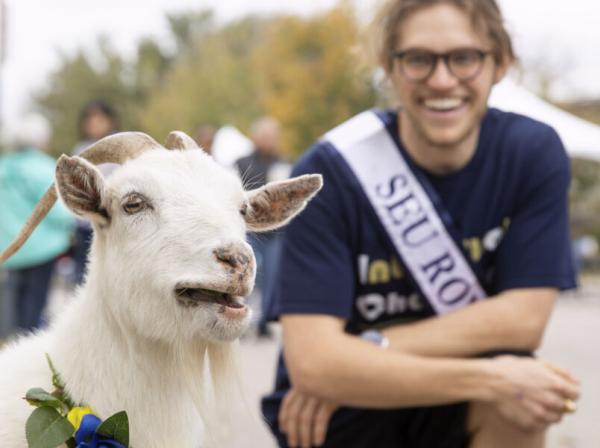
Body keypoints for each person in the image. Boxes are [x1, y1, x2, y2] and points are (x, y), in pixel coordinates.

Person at [261, 1, 579, 447]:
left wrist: (361, 350)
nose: (442, 79)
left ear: (501, 62)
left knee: (523, 401)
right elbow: (313, 364)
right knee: (514, 382)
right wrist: (494, 379)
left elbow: (523, 320)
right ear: (389, 68)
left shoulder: (533, 152)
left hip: (406, 387)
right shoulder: (329, 169)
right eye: (418, 59)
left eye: (465, 57)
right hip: (344, 405)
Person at [0, 114, 74, 332]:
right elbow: (58, 211)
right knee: (35, 302)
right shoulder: (43, 167)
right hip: (42, 247)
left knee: (11, 302)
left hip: (10, 248)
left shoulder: (3, 167)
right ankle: (27, 341)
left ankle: (8, 342)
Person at [235, 117, 291, 337]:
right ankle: (240, 318)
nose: (271, 140)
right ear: (256, 137)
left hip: (276, 231)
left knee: (272, 277)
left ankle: (265, 320)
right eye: (266, 136)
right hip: (248, 229)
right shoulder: (241, 162)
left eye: (273, 136)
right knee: (246, 275)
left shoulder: (284, 162)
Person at [70, 100, 120, 285]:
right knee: (82, 277)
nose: (92, 122)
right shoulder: (80, 149)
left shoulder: (119, 147)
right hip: (84, 225)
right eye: (89, 118)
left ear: (110, 121)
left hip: (111, 222)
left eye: (98, 118)